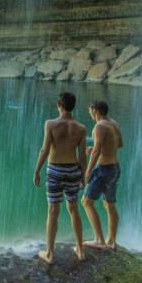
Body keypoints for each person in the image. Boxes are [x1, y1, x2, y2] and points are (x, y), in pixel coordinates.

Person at [33, 92, 87, 263]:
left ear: (59, 105)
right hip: (73, 170)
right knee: (73, 209)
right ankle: (80, 249)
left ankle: (49, 253)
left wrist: (37, 171)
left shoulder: (51, 124)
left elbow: (45, 150)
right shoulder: (80, 128)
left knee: (53, 210)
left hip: (55, 170)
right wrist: (83, 176)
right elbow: (83, 157)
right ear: (73, 106)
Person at [82, 100, 123, 251]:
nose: (89, 113)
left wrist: (87, 171)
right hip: (115, 168)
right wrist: (96, 147)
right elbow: (119, 144)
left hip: (103, 169)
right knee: (109, 204)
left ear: (95, 110)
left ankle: (99, 240)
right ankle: (111, 241)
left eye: (90, 110)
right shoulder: (114, 124)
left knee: (86, 202)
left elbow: (98, 152)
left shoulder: (99, 126)